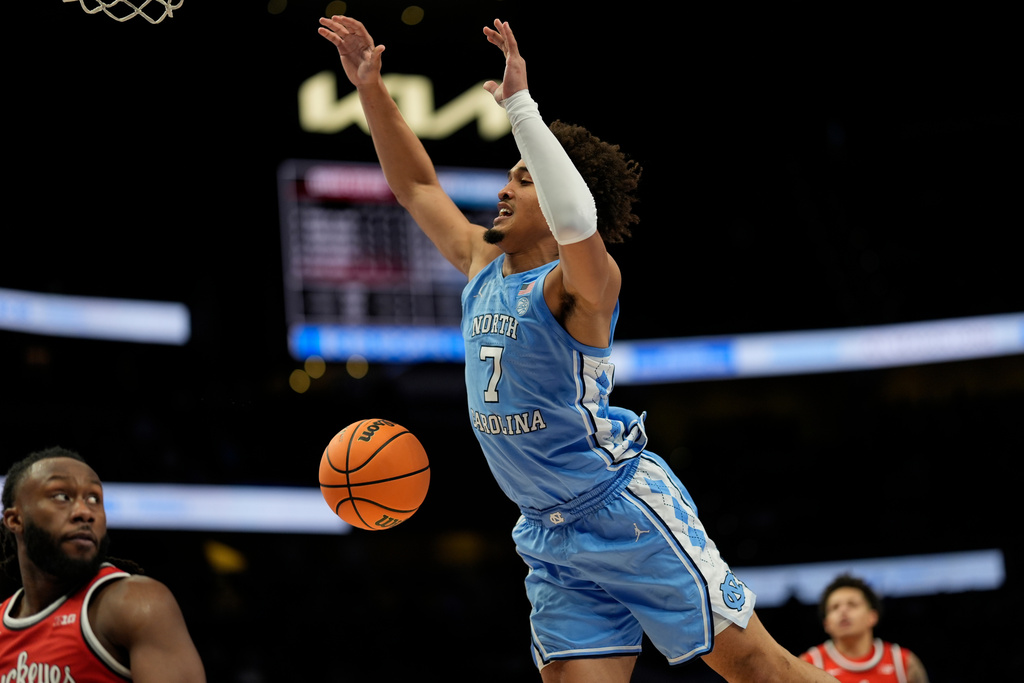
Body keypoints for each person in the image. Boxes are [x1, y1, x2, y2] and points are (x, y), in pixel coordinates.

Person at [318, 15, 838, 682]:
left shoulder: (581, 288)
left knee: (756, 669)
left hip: (620, 508)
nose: (504, 188)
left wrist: (521, 109)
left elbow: (577, 222)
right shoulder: (482, 260)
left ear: (563, 192)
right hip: (546, 529)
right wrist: (370, 89)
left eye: (524, 178)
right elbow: (416, 186)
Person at [1, 447, 206, 682]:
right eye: (62, 497)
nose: (85, 512)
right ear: (15, 520)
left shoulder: (135, 603)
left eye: (94, 499)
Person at [801, 574, 929, 683]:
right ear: (826, 623)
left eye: (852, 604)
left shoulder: (903, 662)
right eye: (835, 607)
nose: (843, 611)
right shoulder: (809, 663)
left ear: (872, 616)